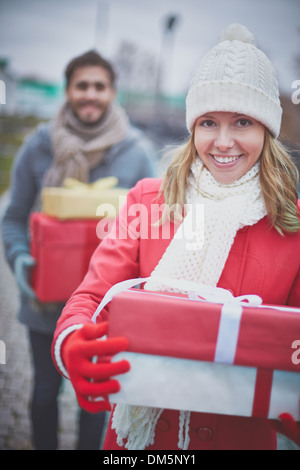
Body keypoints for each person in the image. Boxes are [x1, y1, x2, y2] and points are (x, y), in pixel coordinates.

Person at [51, 25, 300, 450]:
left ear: (267, 132)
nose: (223, 142)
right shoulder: (148, 201)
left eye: (242, 121)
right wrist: (73, 340)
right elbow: (90, 298)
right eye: (208, 123)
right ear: (192, 128)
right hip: (141, 446)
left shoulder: (291, 225)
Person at [1, 49, 156, 450]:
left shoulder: (137, 152)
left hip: (107, 305)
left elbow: (154, 229)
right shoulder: (38, 146)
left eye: (99, 86)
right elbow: (14, 216)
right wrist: (20, 261)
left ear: (112, 92)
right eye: (81, 85)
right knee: (43, 392)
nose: (90, 94)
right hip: (44, 299)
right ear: (68, 90)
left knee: (97, 401)